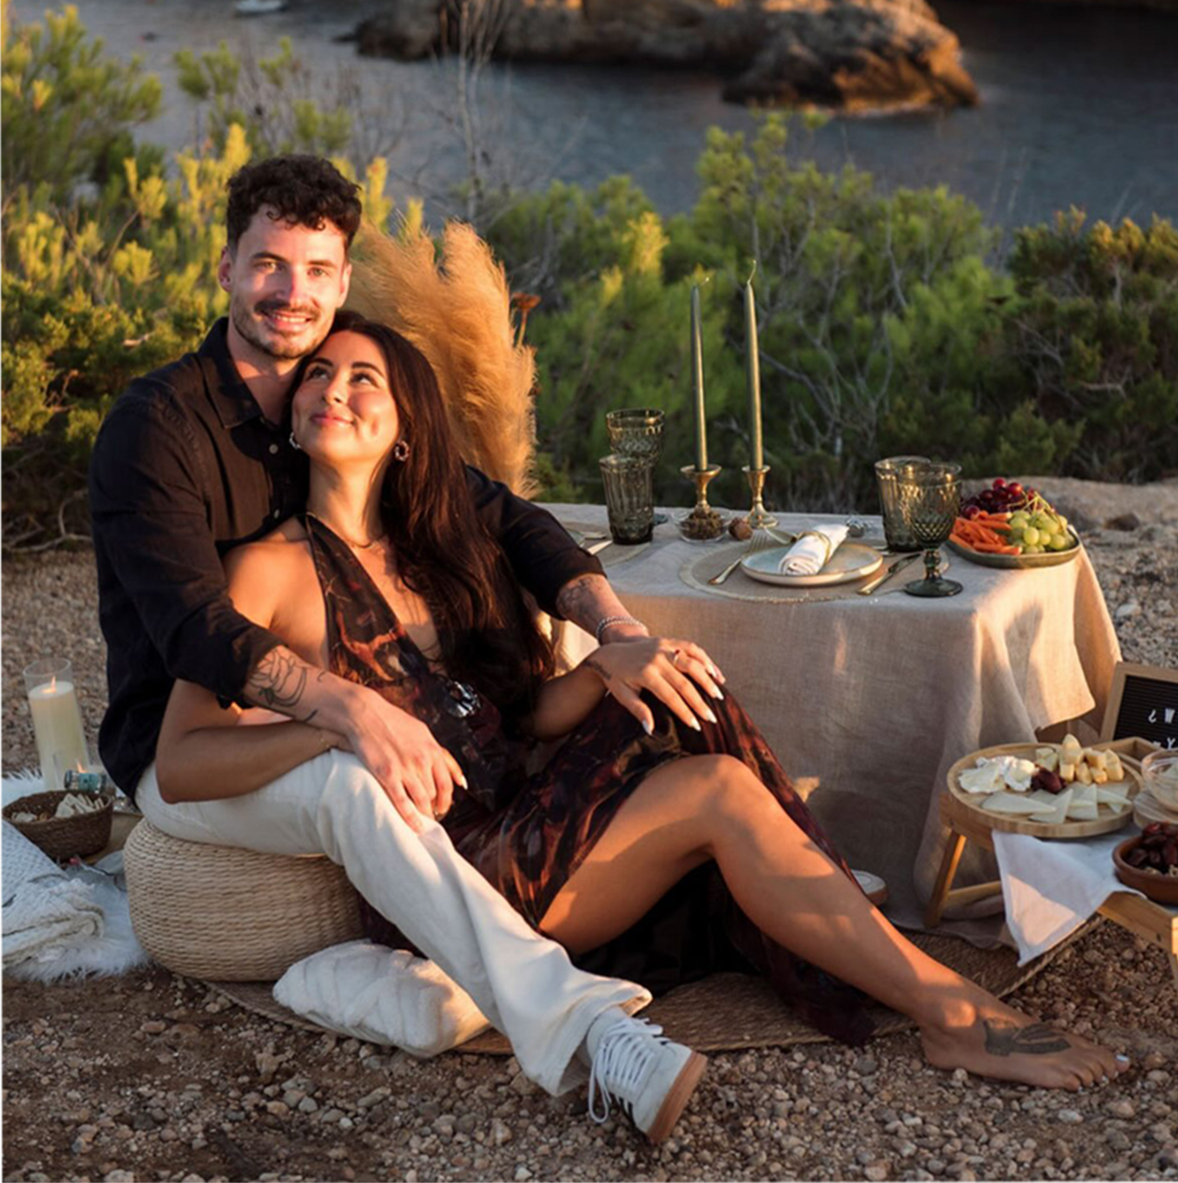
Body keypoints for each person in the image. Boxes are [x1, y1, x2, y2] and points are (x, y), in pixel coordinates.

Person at [150, 314, 1131, 1095]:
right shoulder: (269, 571)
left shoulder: (444, 555)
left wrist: (606, 670)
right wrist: (340, 722)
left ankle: (839, 915)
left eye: (365, 377)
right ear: (293, 417)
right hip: (451, 882)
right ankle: (947, 1009)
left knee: (676, 685)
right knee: (717, 791)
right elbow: (184, 761)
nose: (333, 388)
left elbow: (519, 724)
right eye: (320, 375)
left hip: (525, 824)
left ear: (408, 429)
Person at [89, 155, 723, 1140]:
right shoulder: (158, 429)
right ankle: (589, 1033)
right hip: (189, 752)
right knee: (354, 781)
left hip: (310, 729)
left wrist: (619, 631)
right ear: (225, 268)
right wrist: (353, 707)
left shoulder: (326, 393)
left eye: (315, 270)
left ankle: (708, 900)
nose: (291, 293)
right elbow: (194, 628)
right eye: (268, 264)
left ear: (342, 279)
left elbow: (509, 518)